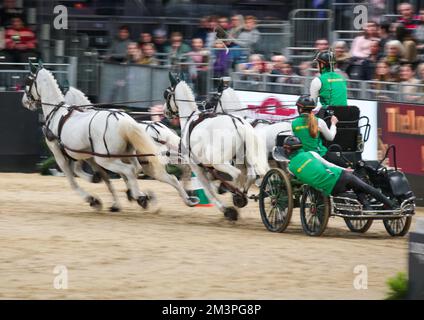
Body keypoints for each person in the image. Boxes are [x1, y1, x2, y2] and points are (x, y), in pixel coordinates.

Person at [274, 136, 395, 210]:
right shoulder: (311, 154)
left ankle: (367, 205)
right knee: (365, 187)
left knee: (354, 185)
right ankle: (383, 205)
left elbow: (299, 179)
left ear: (288, 150)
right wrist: (344, 170)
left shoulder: (291, 167)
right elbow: (329, 165)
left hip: (332, 188)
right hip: (341, 175)